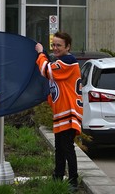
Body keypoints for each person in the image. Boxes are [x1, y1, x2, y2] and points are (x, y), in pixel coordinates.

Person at [35, 31, 83, 190]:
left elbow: (46, 69)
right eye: (53, 45)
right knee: (60, 148)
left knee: (67, 148)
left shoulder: (68, 61)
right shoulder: (62, 61)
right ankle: (58, 176)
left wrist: (41, 53)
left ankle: (73, 182)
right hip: (62, 112)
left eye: (59, 45)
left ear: (68, 47)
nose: (55, 48)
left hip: (69, 112)